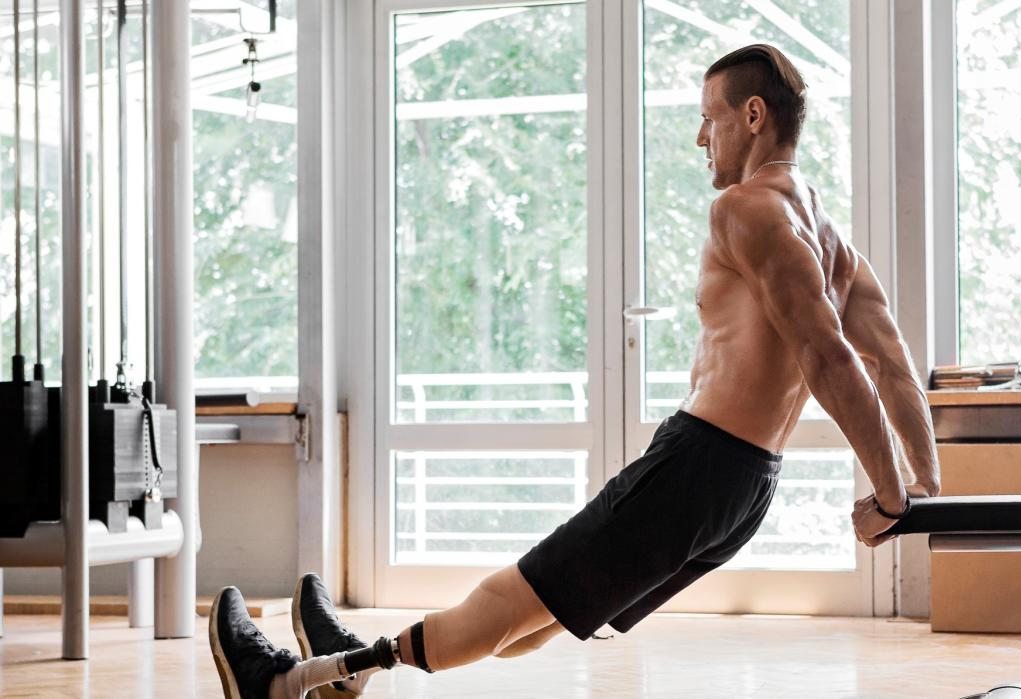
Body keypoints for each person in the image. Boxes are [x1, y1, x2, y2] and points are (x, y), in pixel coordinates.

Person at [209, 43, 941, 699]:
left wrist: (890, 496)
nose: (698, 137)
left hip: (701, 467)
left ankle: (284, 681)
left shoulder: (745, 209)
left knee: (512, 598)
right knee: (538, 619)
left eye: (708, 118)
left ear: (752, 116)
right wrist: (924, 488)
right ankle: (346, 668)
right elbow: (896, 364)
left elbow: (829, 357)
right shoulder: (830, 233)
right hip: (747, 489)